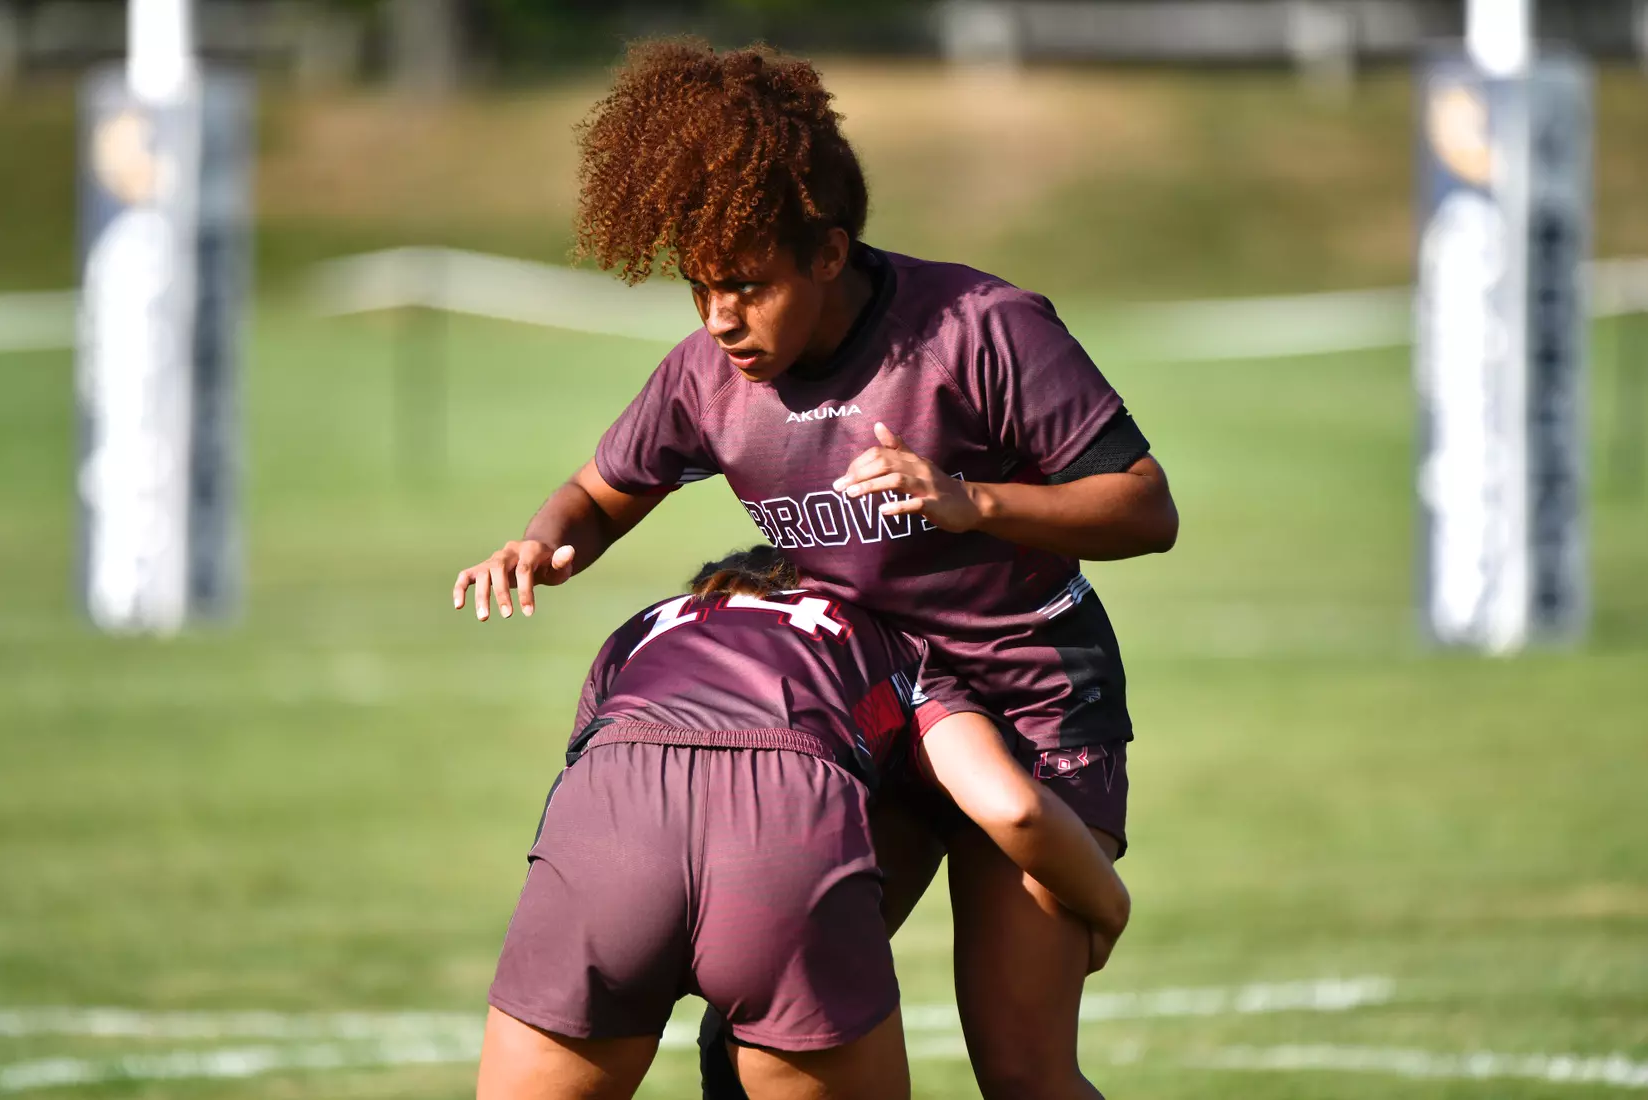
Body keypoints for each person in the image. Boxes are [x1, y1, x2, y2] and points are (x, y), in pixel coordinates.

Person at [454, 39, 1179, 1100]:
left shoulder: (980, 329)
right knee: (759, 1027)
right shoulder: (709, 375)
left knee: (1025, 1071)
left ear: (830, 254)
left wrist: (975, 501)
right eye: (700, 287)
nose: (718, 319)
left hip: (1028, 704)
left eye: (746, 286)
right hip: (862, 707)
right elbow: (600, 492)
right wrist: (542, 539)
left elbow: (1147, 507)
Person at [477, 547, 1129, 1100]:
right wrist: (1108, 906)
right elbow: (1010, 806)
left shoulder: (641, 629)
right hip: (781, 834)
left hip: (611, 817)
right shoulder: (890, 635)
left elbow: (584, 767)